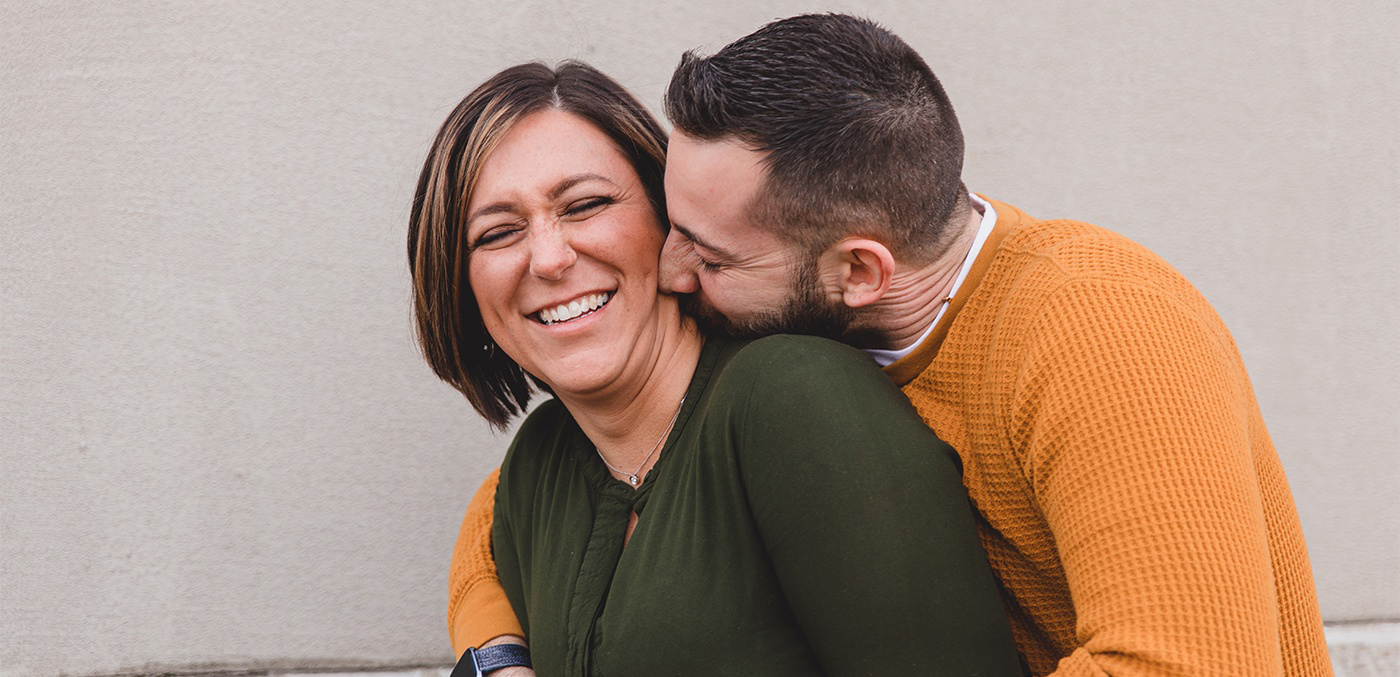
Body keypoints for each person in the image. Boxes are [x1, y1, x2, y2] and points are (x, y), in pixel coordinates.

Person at [448, 15, 1335, 677]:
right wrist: (495, 651)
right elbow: (526, 503)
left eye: (709, 254)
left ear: (859, 270)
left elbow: (1187, 667)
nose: (672, 271)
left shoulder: (1100, 328)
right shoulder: (799, 314)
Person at [411, 61, 1025, 677]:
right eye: (497, 234)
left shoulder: (794, 398)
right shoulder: (537, 466)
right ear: (459, 282)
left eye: (586, 204)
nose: (547, 258)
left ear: (671, 219)